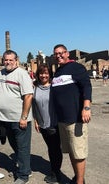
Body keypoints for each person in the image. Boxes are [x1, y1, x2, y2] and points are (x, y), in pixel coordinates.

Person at [51, 44, 92, 184]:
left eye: (61, 53)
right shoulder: (57, 72)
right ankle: (77, 177)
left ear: (67, 53)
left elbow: (86, 86)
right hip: (62, 120)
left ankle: (80, 182)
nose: (59, 55)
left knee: (79, 153)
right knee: (72, 152)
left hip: (75, 119)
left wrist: (86, 107)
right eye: (56, 54)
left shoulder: (76, 67)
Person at [0, 50, 34, 184]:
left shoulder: (22, 74)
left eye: (11, 60)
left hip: (19, 119)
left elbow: (28, 96)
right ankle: (25, 167)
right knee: (14, 145)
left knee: (22, 147)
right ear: (3, 60)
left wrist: (24, 117)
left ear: (16, 60)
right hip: (4, 119)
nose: (8, 62)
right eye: (6, 60)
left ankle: (23, 175)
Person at [32, 64, 62, 183]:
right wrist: (35, 120)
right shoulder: (35, 87)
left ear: (50, 74)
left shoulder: (54, 87)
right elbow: (34, 105)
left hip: (54, 123)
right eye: (41, 73)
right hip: (42, 123)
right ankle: (54, 170)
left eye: (46, 73)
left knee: (55, 149)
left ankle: (56, 173)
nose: (43, 75)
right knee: (51, 148)